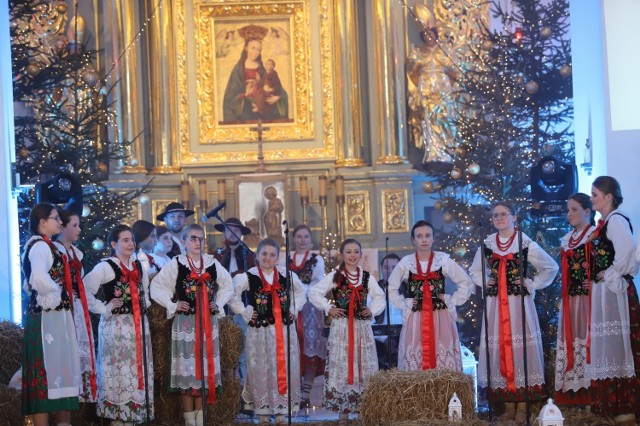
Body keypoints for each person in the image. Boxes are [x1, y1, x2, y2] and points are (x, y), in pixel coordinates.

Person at [469, 202, 559, 423]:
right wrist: (485, 280)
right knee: (500, 348)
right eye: (495, 215)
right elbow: (475, 270)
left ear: (514, 217)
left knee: (520, 351)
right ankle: (509, 407)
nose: (499, 218)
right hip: (495, 304)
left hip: (518, 304)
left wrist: (531, 283)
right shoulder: (488, 244)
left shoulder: (524, 242)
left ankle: (522, 407)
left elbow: (551, 267)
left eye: (503, 214)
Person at [151, 224, 234, 426]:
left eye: (201, 238)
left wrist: (219, 303)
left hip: (207, 323)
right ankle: (190, 421)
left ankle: (201, 419)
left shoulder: (212, 264)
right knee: (187, 372)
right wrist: (172, 304)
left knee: (203, 371)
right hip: (186, 324)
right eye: (193, 239)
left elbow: (228, 285)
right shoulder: (176, 264)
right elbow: (157, 287)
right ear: (185, 241)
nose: (198, 242)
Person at [228, 238, 307, 426]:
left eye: (272, 255)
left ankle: (281, 415)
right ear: (257, 256)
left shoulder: (287, 275)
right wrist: (247, 312)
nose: (268, 258)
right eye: (264, 254)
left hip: (284, 330)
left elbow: (302, 292)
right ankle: (263, 415)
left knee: (284, 367)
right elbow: (232, 294)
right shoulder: (250, 276)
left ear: (278, 258)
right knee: (261, 369)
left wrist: (294, 310)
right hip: (259, 331)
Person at [309, 238, 385, 426]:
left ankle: (364, 410)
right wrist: (329, 308)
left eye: (356, 251)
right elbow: (314, 293)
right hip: (342, 328)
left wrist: (372, 311)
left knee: (363, 364)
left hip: (361, 328)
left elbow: (380, 297)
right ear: (342, 255)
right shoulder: (335, 277)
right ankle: (343, 414)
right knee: (342, 364)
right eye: (349, 252)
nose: (352, 255)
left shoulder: (367, 278)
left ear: (360, 254)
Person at [83, 224, 154, 424]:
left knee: (136, 368)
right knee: (119, 370)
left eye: (131, 239)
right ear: (114, 244)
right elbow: (85, 291)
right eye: (125, 240)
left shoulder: (140, 265)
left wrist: (142, 306)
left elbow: (145, 294)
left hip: (138, 324)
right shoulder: (105, 266)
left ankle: (134, 415)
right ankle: (118, 418)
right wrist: (104, 307)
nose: (131, 243)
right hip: (116, 327)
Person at [21, 203, 80, 426]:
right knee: (45, 373)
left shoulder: (49, 246)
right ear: (42, 222)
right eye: (55, 218)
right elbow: (37, 278)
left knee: (60, 370)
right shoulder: (39, 247)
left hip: (55, 316)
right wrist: (57, 291)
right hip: (47, 318)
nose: (59, 222)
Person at [389, 220, 474, 372]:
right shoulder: (406, 263)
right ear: (413, 240)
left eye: (427, 236)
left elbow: (465, 281)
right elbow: (391, 287)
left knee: (442, 356)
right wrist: (404, 304)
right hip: (416, 318)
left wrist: (451, 300)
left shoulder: (443, 260)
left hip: (440, 316)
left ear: (433, 238)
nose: (424, 239)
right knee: (416, 356)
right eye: (419, 236)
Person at [588, 176, 640, 424]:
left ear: (609, 197)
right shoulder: (606, 222)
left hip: (615, 290)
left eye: (595, 194)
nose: (592, 198)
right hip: (606, 290)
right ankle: (613, 404)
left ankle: (626, 407)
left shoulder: (616, 221)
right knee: (611, 347)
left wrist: (609, 274)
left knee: (621, 347)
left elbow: (628, 256)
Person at [54, 209, 102, 405]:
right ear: (62, 227)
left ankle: (79, 393)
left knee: (79, 348)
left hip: (77, 308)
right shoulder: (54, 251)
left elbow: (79, 282)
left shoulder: (75, 253)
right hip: (63, 309)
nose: (79, 229)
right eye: (74, 225)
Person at [554, 193, 596, 406]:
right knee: (573, 340)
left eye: (574, 210)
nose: (569, 214)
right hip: (571, 300)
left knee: (590, 340)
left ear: (587, 211)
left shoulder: (595, 235)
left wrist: (597, 280)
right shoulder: (566, 240)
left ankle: (592, 395)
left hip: (591, 300)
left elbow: (606, 263)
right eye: (568, 210)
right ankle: (575, 395)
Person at [290, 224, 326, 408]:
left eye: (305, 236)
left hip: (311, 308)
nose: (302, 240)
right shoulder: (287, 259)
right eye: (299, 236)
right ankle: (295, 393)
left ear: (310, 239)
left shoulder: (317, 259)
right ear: (294, 239)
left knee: (310, 350)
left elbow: (319, 284)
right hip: (292, 308)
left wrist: (302, 292)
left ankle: (305, 394)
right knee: (294, 348)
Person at [222, 24, 289, 123]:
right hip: (245, 112)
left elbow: (278, 89)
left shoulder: (264, 69)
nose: (256, 52)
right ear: (246, 48)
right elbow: (229, 98)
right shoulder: (238, 70)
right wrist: (245, 95)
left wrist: (278, 97)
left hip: (264, 111)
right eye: (253, 48)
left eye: (258, 49)